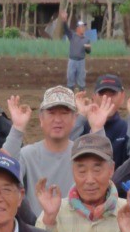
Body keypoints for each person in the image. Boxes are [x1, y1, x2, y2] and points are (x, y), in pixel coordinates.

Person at [37, 132, 125, 232]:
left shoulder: (127, 213)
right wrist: (50, 219)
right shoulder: (54, 211)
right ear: (73, 171)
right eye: (82, 171)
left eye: (97, 170)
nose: (89, 180)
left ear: (111, 170)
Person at [8, 86, 86, 220]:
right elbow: (5, 172)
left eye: (64, 113)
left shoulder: (82, 155)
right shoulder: (28, 155)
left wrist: (98, 127)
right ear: (41, 119)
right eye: (51, 113)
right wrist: (17, 129)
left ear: (75, 119)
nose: (57, 119)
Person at [65, 19, 90, 88]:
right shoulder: (72, 36)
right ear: (77, 28)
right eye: (82, 27)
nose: (83, 28)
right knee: (70, 80)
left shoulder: (86, 39)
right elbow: (66, 30)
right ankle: (70, 97)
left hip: (81, 61)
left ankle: (81, 97)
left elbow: (88, 51)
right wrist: (64, 21)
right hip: (72, 61)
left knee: (81, 81)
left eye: (84, 27)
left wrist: (88, 48)